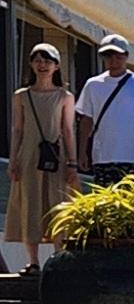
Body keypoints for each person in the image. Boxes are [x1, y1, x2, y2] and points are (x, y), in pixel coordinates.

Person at [3, 43, 78, 256]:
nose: (42, 65)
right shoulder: (21, 96)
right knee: (30, 202)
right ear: (31, 64)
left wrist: (72, 162)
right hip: (28, 155)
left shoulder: (65, 96)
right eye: (38, 60)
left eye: (47, 60)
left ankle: (59, 255)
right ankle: (33, 261)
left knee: (59, 202)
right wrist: (13, 160)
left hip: (56, 156)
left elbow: (68, 130)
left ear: (56, 66)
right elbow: (17, 129)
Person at [74, 35, 134, 177]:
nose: (113, 60)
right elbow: (86, 119)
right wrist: (82, 152)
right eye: (108, 56)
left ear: (126, 56)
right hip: (102, 156)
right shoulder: (93, 84)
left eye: (118, 56)